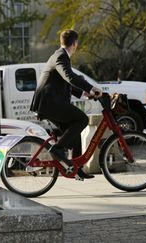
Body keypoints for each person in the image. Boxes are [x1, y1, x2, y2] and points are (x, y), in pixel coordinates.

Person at [30, 29, 102, 179]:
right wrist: (91, 87)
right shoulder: (61, 57)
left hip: (49, 102)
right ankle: (57, 149)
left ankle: (76, 168)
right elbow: (70, 76)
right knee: (82, 119)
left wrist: (85, 94)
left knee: (74, 132)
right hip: (50, 103)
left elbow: (66, 82)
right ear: (75, 43)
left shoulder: (59, 56)